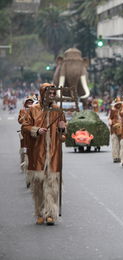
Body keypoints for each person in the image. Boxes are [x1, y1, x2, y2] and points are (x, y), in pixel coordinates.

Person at [22, 83, 67, 225]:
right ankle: (39, 212)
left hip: (54, 153)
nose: (52, 95)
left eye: (54, 93)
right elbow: (25, 127)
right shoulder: (33, 110)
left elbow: (63, 138)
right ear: (43, 93)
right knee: (38, 185)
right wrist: (36, 130)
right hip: (37, 152)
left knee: (52, 184)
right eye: (50, 93)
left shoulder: (58, 111)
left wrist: (62, 129)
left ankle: (50, 214)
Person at [17, 96, 35, 188]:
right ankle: (28, 176)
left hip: (33, 134)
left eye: (31, 102)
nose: (30, 104)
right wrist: (25, 115)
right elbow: (20, 121)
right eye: (28, 102)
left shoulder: (36, 111)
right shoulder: (22, 111)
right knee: (25, 152)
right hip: (25, 134)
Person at [108, 97, 122, 163]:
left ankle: (121, 156)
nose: (118, 105)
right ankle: (116, 157)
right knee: (115, 143)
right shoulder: (113, 110)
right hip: (114, 128)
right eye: (117, 104)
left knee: (121, 143)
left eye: (119, 104)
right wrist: (110, 121)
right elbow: (110, 118)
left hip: (122, 128)